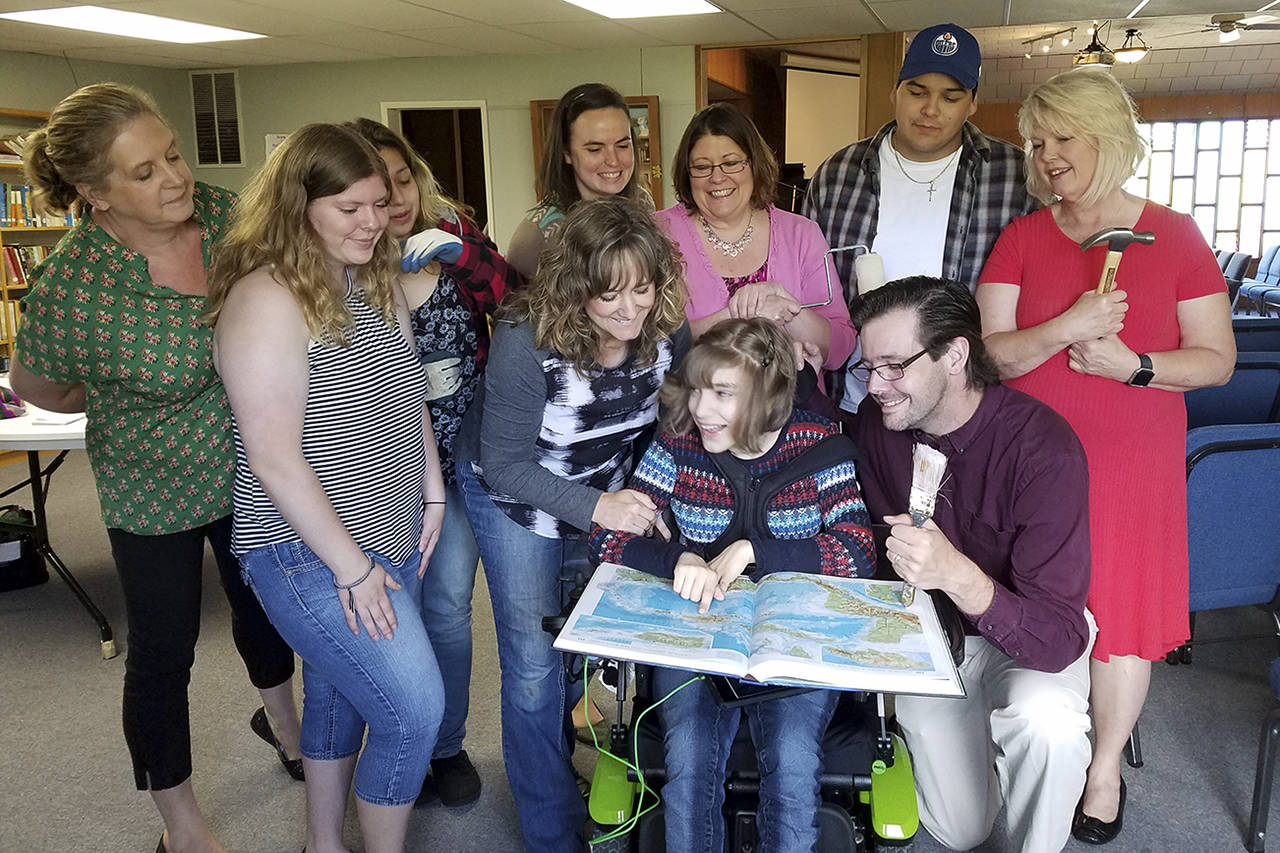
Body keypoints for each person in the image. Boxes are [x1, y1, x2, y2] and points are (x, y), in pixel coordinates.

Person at [11, 82, 301, 853]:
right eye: (143, 171)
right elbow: (36, 386)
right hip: (153, 487)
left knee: (267, 610)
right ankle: (181, 822)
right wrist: (105, 387)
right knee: (165, 652)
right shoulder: (75, 285)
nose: (173, 176)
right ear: (93, 192)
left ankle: (284, 724)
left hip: (249, 464)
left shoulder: (218, 211)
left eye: (171, 153)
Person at [975, 68, 1235, 846]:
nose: (1046, 156)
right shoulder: (1022, 238)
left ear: (1108, 140)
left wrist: (1137, 366)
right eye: (1036, 142)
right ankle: (1036, 736)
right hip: (1032, 465)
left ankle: (1104, 767)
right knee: (1035, 600)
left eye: (1062, 139)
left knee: (1121, 618)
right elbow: (992, 358)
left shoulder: (1177, 235)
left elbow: (1216, 359)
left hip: (1132, 464)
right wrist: (1067, 325)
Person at [206, 123, 447, 853]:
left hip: (389, 529)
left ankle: (322, 843)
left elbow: (407, 396)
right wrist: (354, 567)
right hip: (307, 553)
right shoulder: (265, 300)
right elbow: (274, 457)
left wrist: (431, 489)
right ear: (298, 206)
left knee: (340, 693)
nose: (373, 222)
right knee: (414, 710)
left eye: (378, 202)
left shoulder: (372, 279)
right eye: (350, 208)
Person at [588, 317, 876, 853]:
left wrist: (754, 552)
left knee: (792, 763)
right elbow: (605, 540)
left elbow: (858, 551)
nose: (701, 409)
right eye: (697, 389)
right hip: (694, 638)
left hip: (795, 643)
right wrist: (677, 558)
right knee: (690, 759)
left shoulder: (818, 445)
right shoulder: (677, 446)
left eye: (722, 393)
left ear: (767, 397)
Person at [456, 196, 690, 852]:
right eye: (609, 293)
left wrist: (658, 496)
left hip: (606, 491)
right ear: (574, 285)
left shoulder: (667, 328)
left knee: (586, 646)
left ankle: (572, 765)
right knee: (532, 665)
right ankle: (551, 831)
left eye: (642, 288)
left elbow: (676, 422)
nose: (629, 309)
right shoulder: (526, 337)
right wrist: (600, 508)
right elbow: (503, 464)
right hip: (516, 500)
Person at [849, 276, 1094, 853]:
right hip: (934, 637)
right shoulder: (878, 423)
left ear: (955, 355)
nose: (877, 385)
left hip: (1029, 631)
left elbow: (1061, 637)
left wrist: (956, 574)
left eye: (892, 366)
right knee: (962, 832)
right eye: (868, 367)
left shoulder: (1044, 451)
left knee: (1047, 726)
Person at [346, 116, 524, 808]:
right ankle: (409, 743)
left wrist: (457, 253)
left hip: (464, 459)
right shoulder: (341, 263)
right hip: (386, 468)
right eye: (372, 184)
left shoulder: (451, 235)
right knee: (406, 611)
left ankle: (444, 747)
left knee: (449, 605)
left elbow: (514, 301)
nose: (390, 197)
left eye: (399, 179)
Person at [803, 22, 1035, 414]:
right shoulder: (839, 173)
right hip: (857, 399)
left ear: (972, 103)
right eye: (917, 91)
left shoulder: (1015, 176)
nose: (930, 110)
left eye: (951, 96)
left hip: (962, 405)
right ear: (894, 92)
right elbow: (810, 287)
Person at [655, 102, 856, 383]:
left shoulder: (801, 234)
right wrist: (739, 316)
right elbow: (645, 344)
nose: (717, 177)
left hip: (788, 417)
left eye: (731, 163)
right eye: (702, 167)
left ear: (754, 164)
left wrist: (787, 310)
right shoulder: (657, 234)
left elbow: (840, 349)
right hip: (691, 414)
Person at [506, 82, 654, 278]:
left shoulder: (642, 201)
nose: (613, 160)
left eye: (622, 145)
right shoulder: (537, 235)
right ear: (566, 152)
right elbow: (514, 305)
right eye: (595, 149)